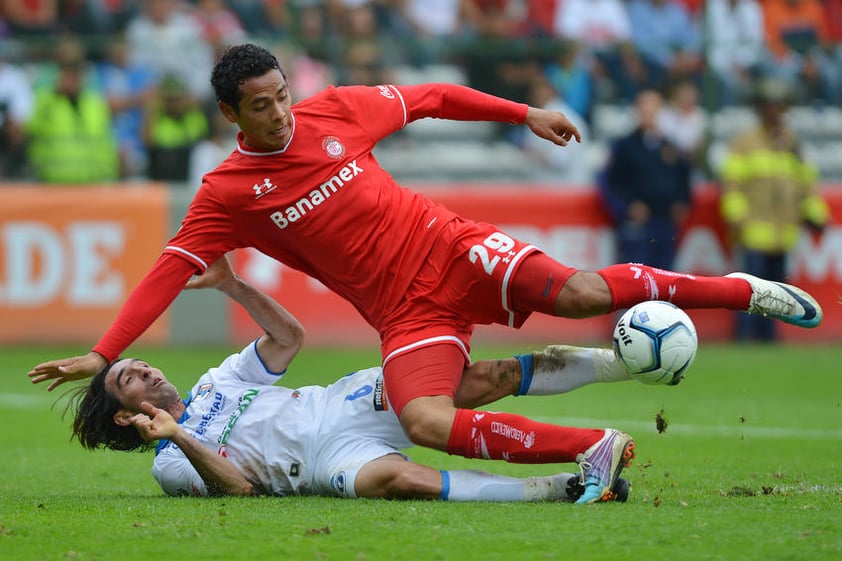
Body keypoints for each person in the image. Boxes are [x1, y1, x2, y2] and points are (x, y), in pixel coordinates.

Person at [30, 44, 822, 505]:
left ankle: (746, 291)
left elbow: (435, 95)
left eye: (282, 96)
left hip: (450, 246)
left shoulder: (337, 109)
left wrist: (524, 114)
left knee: (581, 292)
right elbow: (168, 271)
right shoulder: (226, 195)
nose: (281, 114)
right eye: (261, 107)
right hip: (404, 311)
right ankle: (595, 450)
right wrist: (104, 354)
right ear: (231, 117)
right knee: (428, 422)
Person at [67, 254, 633, 503]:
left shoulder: (218, 382)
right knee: (401, 483)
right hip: (320, 464)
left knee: (486, 379)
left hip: (345, 403)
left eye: (134, 362)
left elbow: (288, 339)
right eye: (127, 378)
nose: (140, 365)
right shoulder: (170, 463)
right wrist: (179, 435)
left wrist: (233, 286)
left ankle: (623, 362)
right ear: (126, 414)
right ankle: (555, 489)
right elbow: (238, 489)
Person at [719, 78, 830, 341]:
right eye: (770, 106)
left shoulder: (792, 144)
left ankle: (768, 340)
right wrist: (736, 217)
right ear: (760, 109)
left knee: (778, 296)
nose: (775, 111)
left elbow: (805, 187)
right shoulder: (744, 143)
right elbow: (732, 186)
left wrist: (817, 216)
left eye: (779, 106)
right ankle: (745, 339)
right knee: (749, 292)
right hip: (753, 232)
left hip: (783, 234)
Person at [598, 88, 692, 271]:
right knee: (636, 275)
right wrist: (628, 206)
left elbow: (684, 178)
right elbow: (610, 183)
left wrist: (682, 203)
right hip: (638, 224)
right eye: (645, 105)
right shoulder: (624, 147)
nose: (649, 110)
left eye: (654, 105)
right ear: (636, 109)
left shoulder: (670, 146)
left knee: (666, 276)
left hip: (665, 222)